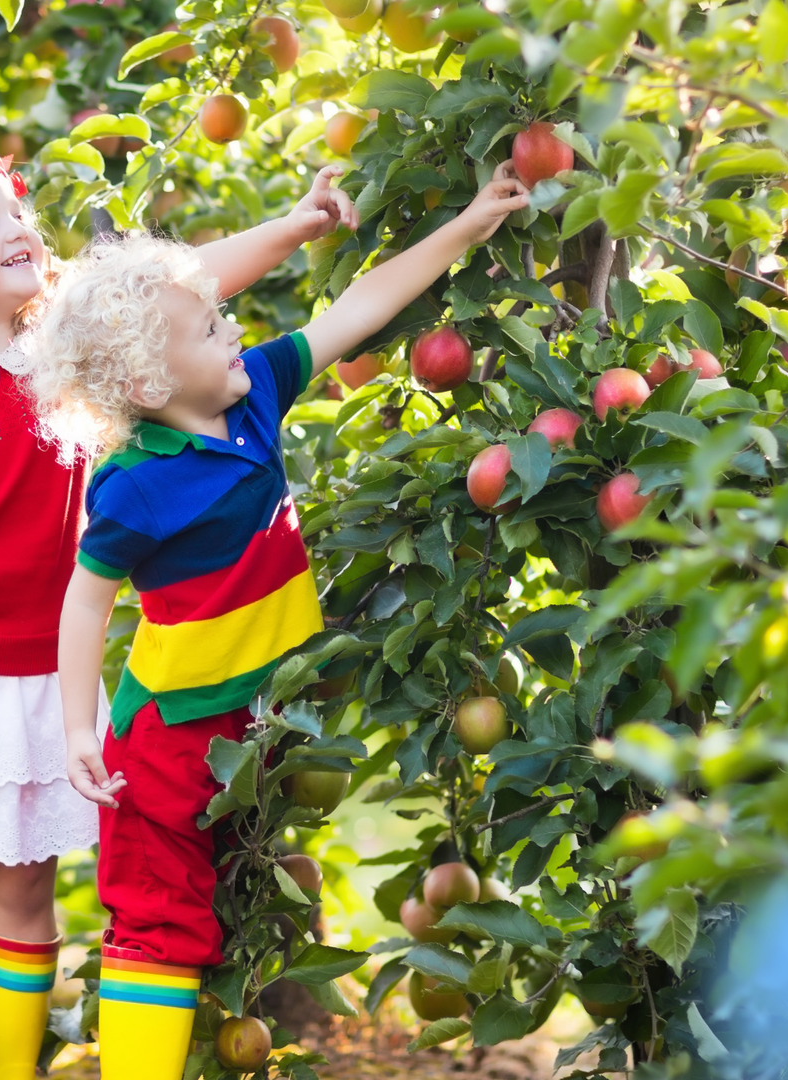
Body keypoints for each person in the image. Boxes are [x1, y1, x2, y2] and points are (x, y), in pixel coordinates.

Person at [0, 138, 355, 1080]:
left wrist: (299, 223)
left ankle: (5, 1071)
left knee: (23, 902)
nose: (17, 228)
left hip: (38, 681)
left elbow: (189, 283)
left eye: (14, 211)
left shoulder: (61, 339)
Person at [36, 162, 532, 1080]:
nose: (235, 330)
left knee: (235, 897)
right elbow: (83, 603)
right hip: (171, 732)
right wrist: (79, 728)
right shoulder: (135, 486)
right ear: (150, 377)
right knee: (158, 917)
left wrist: (469, 224)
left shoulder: (255, 393)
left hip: (259, 717)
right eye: (211, 326)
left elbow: (361, 307)